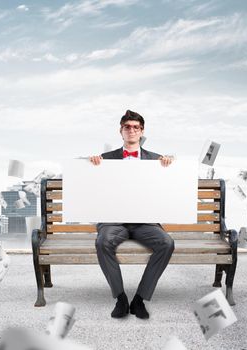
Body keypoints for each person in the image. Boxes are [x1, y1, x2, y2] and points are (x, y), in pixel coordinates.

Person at [89, 110, 175, 319]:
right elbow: (86, 183)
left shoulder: (157, 160)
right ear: (121, 131)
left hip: (144, 222)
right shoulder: (104, 159)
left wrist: (170, 165)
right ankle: (120, 298)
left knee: (167, 243)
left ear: (142, 131)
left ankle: (139, 299)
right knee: (102, 242)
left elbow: (170, 187)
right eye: (127, 126)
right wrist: (90, 165)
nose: (131, 130)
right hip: (114, 222)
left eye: (136, 127)